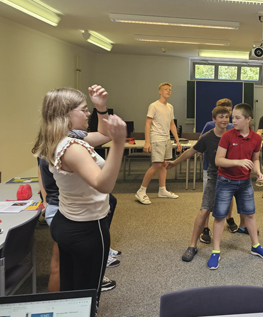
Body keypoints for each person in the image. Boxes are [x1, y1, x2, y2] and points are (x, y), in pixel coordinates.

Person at [32, 85, 126, 306]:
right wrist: (119, 143)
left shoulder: (62, 139)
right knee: (87, 297)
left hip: (68, 222)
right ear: (65, 115)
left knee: (72, 291)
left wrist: (101, 108)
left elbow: (103, 134)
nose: (88, 113)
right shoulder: (72, 148)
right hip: (86, 229)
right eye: (83, 110)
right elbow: (104, 184)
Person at [208, 103, 263, 270]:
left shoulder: (256, 138)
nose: (233, 121)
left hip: (245, 182)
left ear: (248, 119)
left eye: (237, 118)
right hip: (225, 181)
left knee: (249, 214)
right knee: (220, 216)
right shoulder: (227, 136)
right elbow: (218, 160)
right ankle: (216, 251)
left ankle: (255, 246)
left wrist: (258, 172)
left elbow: (255, 159)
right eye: (233, 117)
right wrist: (238, 162)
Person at [165, 106, 230, 262]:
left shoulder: (232, 135)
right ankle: (192, 245)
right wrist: (175, 162)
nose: (224, 120)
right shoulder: (207, 137)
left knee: (240, 210)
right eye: (221, 117)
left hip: (231, 177)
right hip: (215, 176)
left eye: (227, 117)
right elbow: (191, 151)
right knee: (204, 210)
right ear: (214, 119)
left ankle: (252, 241)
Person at [198, 98, 238, 242]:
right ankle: (205, 228)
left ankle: (229, 218)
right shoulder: (210, 125)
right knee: (208, 199)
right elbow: (201, 143)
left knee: (229, 195)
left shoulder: (232, 126)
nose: (227, 116)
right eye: (223, 112)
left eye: (229, 111)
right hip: (210, 168)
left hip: (227, 170)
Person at [136, 82, 182, 204]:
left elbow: (172, 124)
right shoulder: (154, 106)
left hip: (167, 139)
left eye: (170, 89)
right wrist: (147, 142)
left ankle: (162, 190)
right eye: (165, 89)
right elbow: (147, 124)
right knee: (156, 165)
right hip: (157, 138)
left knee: (164, 164)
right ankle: (141, 191)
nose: (168, 91)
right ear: (160, 91)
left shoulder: (170, 107)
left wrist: (177, 140)